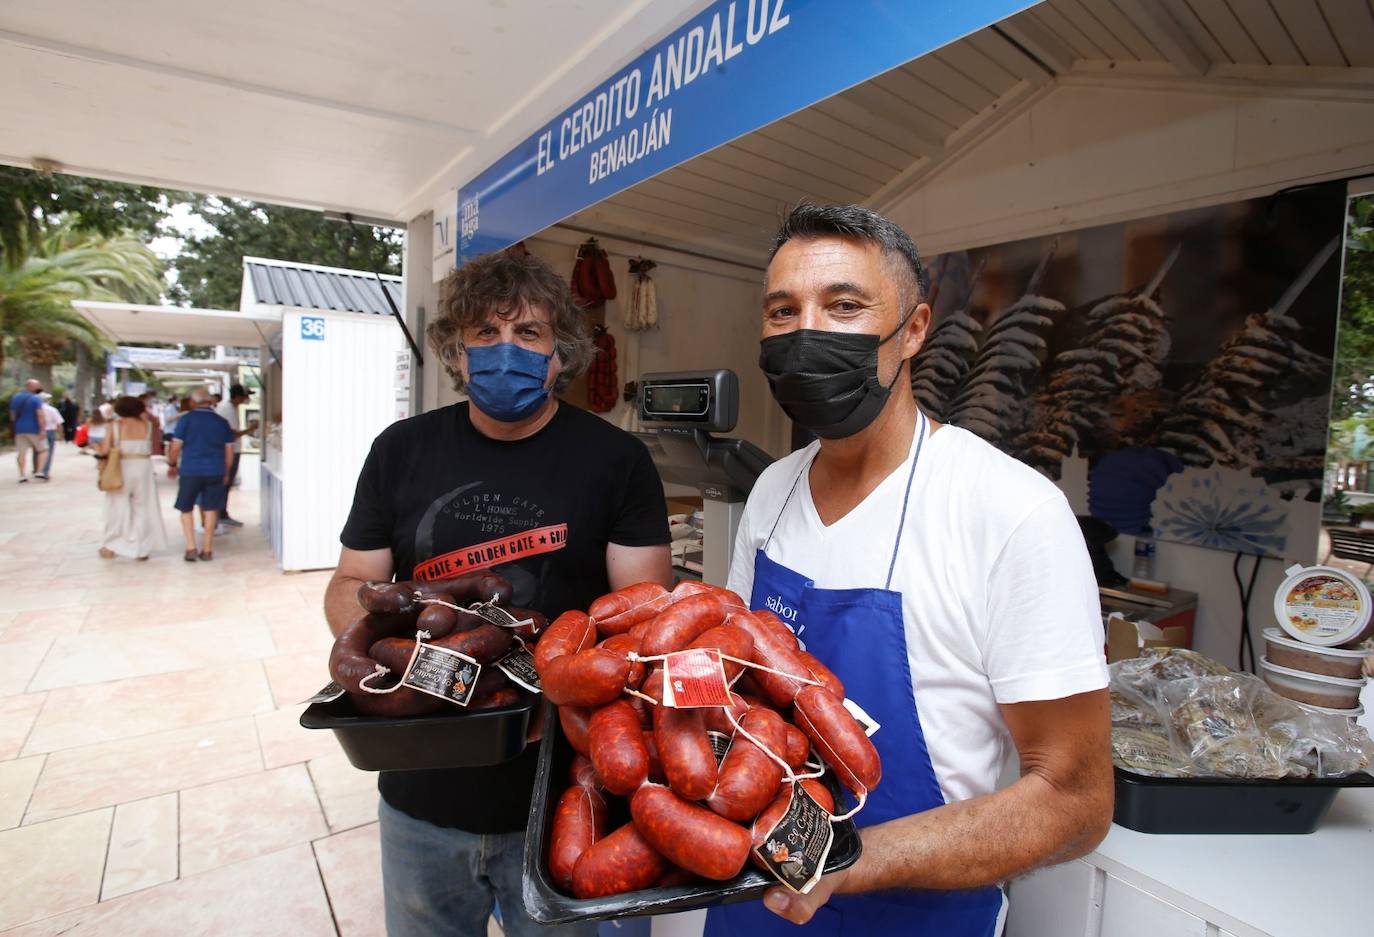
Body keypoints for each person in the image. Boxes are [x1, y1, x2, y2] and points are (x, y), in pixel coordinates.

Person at [710, 204, 1112, 937]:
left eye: (844, 305)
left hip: (918, 918)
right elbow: (740, 698)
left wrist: (839, 858)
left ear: (916, 328)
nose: (808, 331)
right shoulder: (773, 490)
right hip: (755, 908)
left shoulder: (1011, 511)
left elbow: (1075, 800)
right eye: (782, 310)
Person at [324, 250, 672, 937]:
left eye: (528, 334)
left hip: (563, 793)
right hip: (420, 789)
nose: (504, 350)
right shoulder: (399, 450)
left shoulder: (617, 461)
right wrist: (394, 668)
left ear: (558, 354)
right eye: (485, 334)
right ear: (456, 350)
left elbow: (646, 616)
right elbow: (348, 586)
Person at [166, 387, 234, 561]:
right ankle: (207, 548)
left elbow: (175, 446)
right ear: (211, 402)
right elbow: (229, 451)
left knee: (186, 507)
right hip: (215, 470)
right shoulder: (222, 422)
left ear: (192, 402)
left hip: (190, 469)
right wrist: (226, 471)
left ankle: (190, 547)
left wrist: (172, 463)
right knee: (211, 508)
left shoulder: (186, 420)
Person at [97, 395, 167, 561]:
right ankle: (141, 548)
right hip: (143, 466)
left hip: (122, 465)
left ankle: (112, 545)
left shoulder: (115, 426)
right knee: (143, 506)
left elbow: (105, 450)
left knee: (117, 505)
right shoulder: (148, 425)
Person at [214, 384, 259, 528]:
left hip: (230, 450)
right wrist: (250, 430)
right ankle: (220, 514)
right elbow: (232, 433)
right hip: (229, 451)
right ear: (238, 396)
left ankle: (221, 513)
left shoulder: (229, 408)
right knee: (225, 483)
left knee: (226, 484)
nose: (248, 399)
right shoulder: (227, 410)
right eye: (246, 396)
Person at [10, 379, 47, 483]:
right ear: (31, 386)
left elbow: (12, 415)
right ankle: (39, 472)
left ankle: (22, 475)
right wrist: (42, 430)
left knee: (21, 452)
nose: (39, 388)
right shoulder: (36, 399)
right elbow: (40, 415)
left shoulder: (15, 398)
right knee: (43, 450)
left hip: (19, 429)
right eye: (37, 386)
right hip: (33, 428)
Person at [37, 392, 63, 479]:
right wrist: (60, 435)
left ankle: (37, 469)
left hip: (38, 432)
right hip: (50, 431)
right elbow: (59, 423)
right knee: (49, 452)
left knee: (38, 452)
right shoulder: (52, 410)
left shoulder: (35, 410)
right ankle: (45, 471)